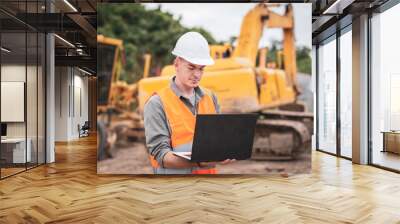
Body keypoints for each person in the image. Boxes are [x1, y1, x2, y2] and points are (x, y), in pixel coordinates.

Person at [143, 32, 235, 174]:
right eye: (191, 67)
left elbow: (216, 142)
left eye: (201, 68)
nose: (197, 74)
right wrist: (199, 162)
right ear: (177, 64)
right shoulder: (157, 103)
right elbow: (161, 155)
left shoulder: (211, 98)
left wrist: (223, 152)